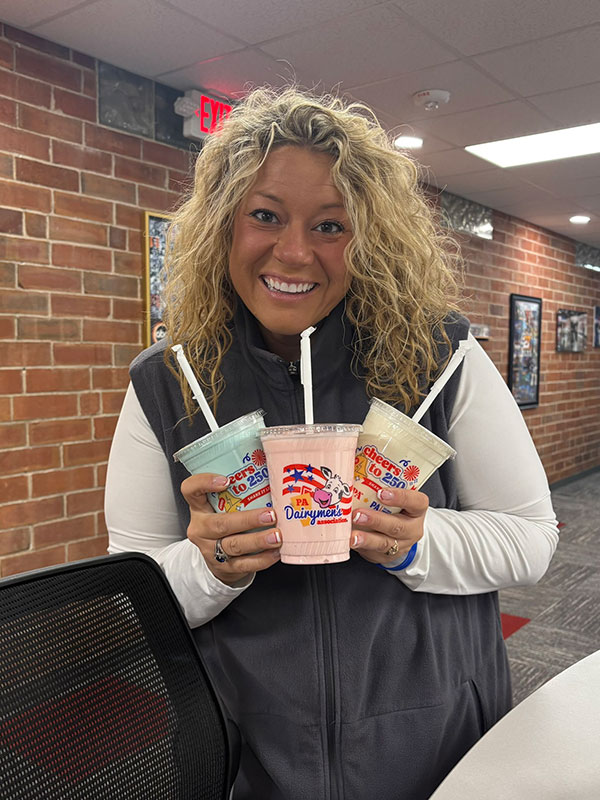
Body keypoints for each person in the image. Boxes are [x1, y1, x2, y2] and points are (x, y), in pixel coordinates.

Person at [105, 87, 558, 800]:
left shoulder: (440, 361)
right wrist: (209, 568)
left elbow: (531, 540)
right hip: (249, 750)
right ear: (225, 224)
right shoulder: (168, 383)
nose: (294, 251)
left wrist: (415, 542)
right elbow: (130, 590)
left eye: (330, 225)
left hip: (437, 740)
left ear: (369, 238)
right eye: (265, 215)